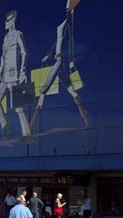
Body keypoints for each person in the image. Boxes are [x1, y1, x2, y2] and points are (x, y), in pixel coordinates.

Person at [31, 0, 88, 128]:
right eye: (66, 8)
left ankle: (32, 123)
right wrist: (48, 55)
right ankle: (83, 113)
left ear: (71, 10)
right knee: (71, 90)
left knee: (44, 89)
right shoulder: (63, 24)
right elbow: (56, 42)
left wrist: (72, 60)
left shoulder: (69, 23)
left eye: (68, 8)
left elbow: (71, 42)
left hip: (60, 61)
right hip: (58, 60)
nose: (66, 10)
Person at [0, 10, 32, 141]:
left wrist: (22, 72)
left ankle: (26, 133)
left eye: (8, 20)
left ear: (13, 20)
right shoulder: (5, 38)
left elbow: (24, 53)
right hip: (4, 76)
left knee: (18, 106)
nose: (6, 23)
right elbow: (2, 58)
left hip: (14, 75)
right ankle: (4, 124)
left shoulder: (18, 35)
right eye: (5, 20)